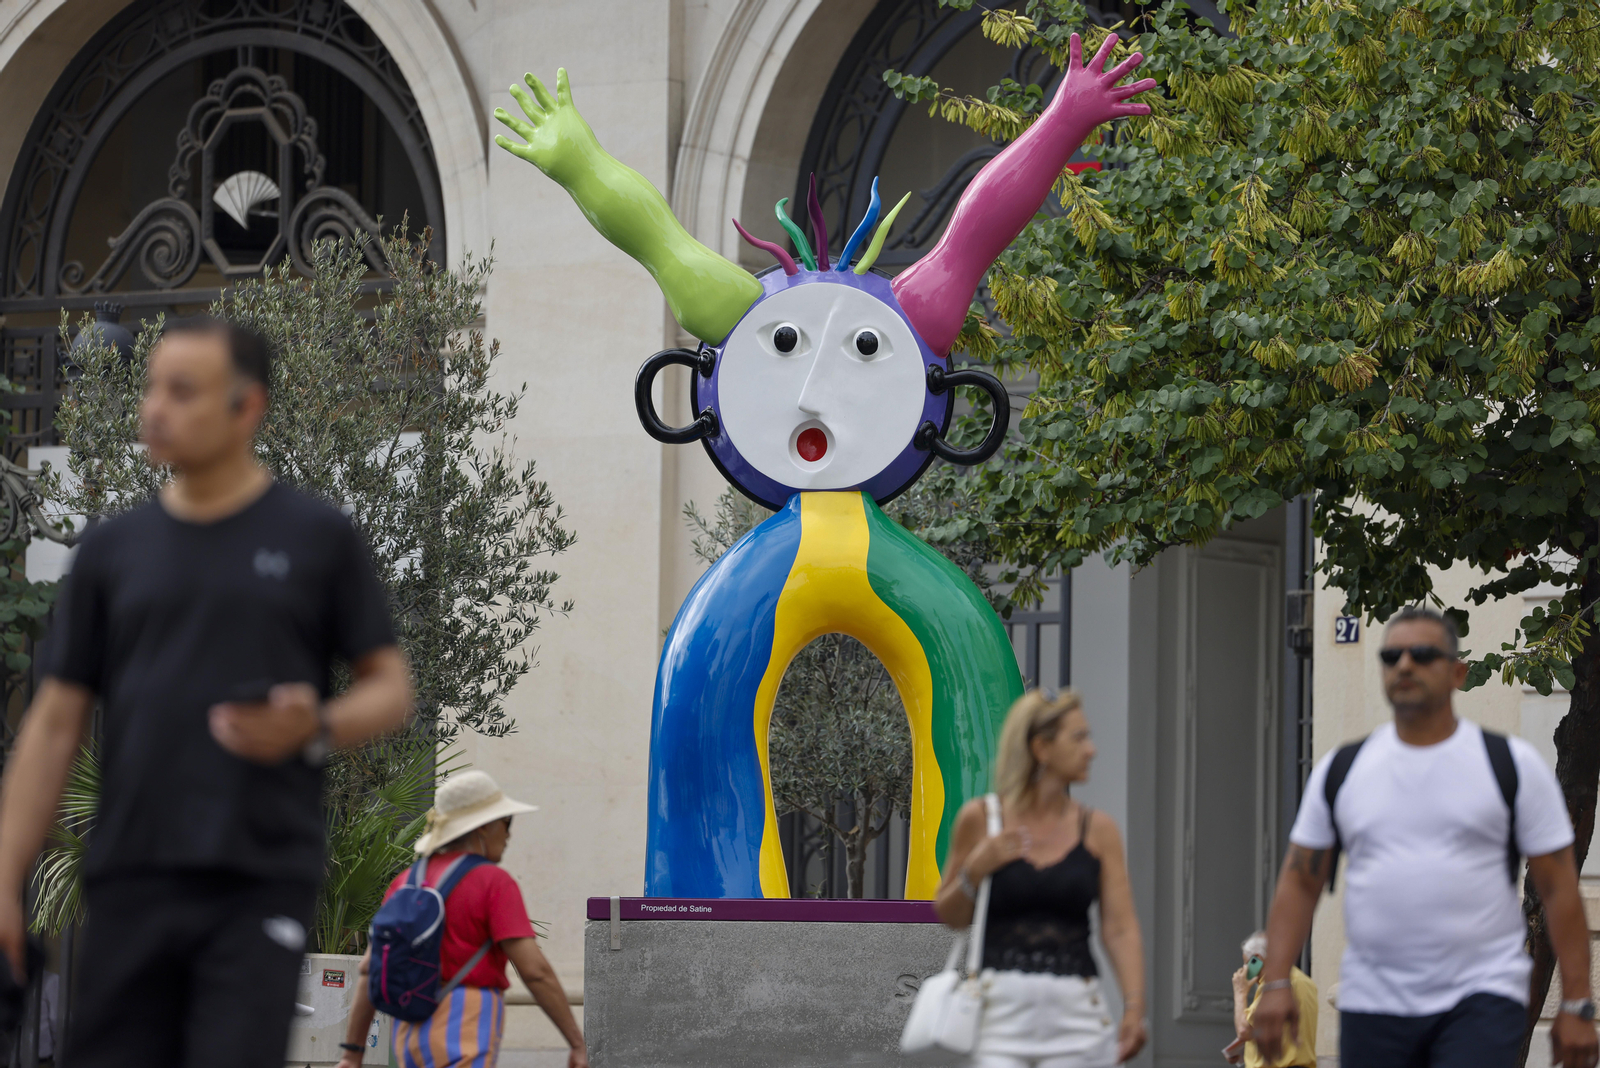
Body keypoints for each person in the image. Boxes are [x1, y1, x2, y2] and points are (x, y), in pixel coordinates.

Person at [0, 317, 414, 1068]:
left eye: (183, 391)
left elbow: (390, 690)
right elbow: (54, 726)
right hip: (129, 880)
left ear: (246, 408)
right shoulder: (108, 550)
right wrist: (3, 878)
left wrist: (314, 724)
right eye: (154, 386)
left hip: (257, 881)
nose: (155, 406)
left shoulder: (317, 537)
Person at [1253, 605, 1599, 1068]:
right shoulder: (1344, 770)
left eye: (1421, 653)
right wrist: (1276, 983)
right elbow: (1300, 881)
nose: (1405, 665)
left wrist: (1578, 1002)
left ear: (1457, 672)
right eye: (1392, 655)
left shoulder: (1509, 765)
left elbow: (1558, 889)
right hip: (1374, 1004)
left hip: (1480, 1001)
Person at [934, 689, 1147, 1067]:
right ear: (1041, 748)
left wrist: (1134, 1007)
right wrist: (975, 869)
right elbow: (949, 915)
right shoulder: (980, 819)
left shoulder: (1098, 830)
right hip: (998, 1018)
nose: (1091, 750)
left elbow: (1120, 928)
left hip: (1078, 1019)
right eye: (1079, 737)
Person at [337, 769, 587, 1068]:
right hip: (463, 1024)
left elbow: (369, 970)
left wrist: (352, 1054)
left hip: (408, 1030)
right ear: (485, 826)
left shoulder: (405, 882)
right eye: (506, 822)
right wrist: (576, 1043)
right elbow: (535, 972)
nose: (509, 834)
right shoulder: (492, 881)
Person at [1226, 931, 1316, 1067]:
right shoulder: (1305, 981)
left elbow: (1244, 1031)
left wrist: (1240, 993)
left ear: (1256, 959)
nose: (1244, 969)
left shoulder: (1275, 985)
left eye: (1246, 963)